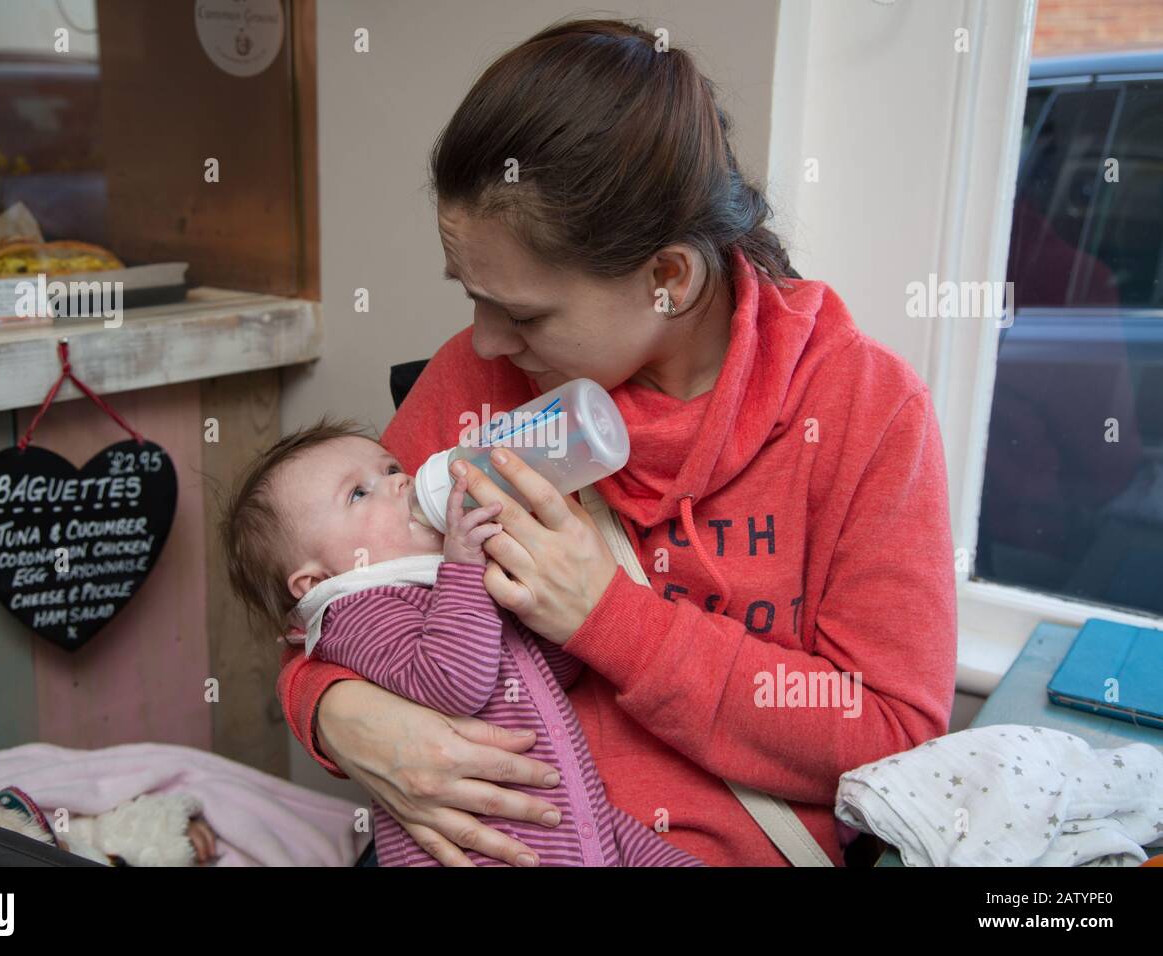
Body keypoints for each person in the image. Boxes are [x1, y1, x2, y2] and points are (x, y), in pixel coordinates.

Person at [278, 17, 957, 867]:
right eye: (471, 296)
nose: (482, 344)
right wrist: (340, 718)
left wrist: (611, 620)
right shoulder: (475, 379)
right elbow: (336, 611)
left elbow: (889, 732)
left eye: (523, 314)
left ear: (668, 279)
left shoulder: (863, 409)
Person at [222, 421, 702, 866]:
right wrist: (465, 572)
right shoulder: (355, 613)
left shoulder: (440, 586)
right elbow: (455, 684)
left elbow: (547, 676)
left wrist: (531, 591)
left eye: (392, 468)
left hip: (569, 814)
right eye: (358, 493)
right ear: (314, 582)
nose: (400, 483)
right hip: (489, 845)